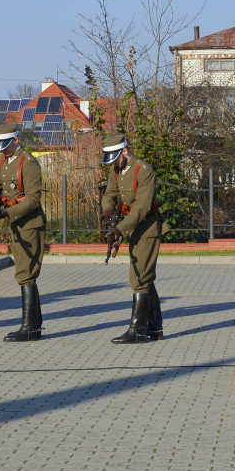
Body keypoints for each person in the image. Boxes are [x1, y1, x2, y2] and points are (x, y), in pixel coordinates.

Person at [0, 123, 46, 341]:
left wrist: (6, 213)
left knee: (25, 274)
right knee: (24, 273)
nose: (2, 150)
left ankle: (29, 328)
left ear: (16, 140)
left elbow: (33, 199)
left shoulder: (28, 163)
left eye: (5, 145)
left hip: (30, 224)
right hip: (16, 224)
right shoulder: (5, 160)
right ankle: (35, 325)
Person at [100, 134, 164, 344]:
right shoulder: (117, 168)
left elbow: (143, 207)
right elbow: (109, 193)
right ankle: (154, 327)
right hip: (132, 228)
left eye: (115, 158)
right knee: (145, 277)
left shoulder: (144, 171)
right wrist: (108, 210)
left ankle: (138, 329)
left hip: (147, 228)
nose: (113, 165)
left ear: (124, 152)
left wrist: (119, 228)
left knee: (138, 277)